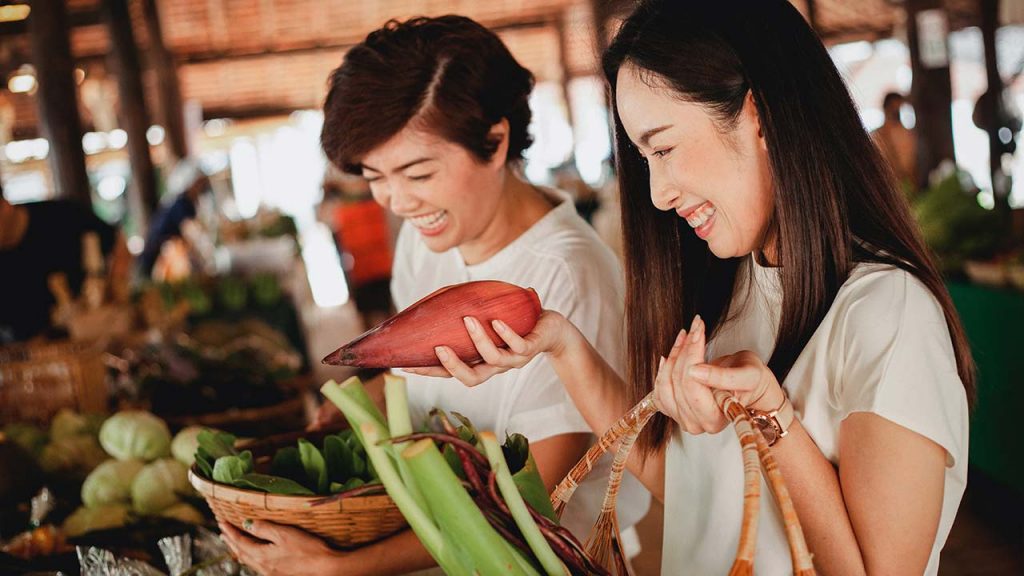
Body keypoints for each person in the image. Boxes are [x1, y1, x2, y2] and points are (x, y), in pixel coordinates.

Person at [424, 1, 973, 574]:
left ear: (759, 115)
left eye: (663, 149)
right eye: (643, 159)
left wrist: (771, 415)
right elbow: (690, 490)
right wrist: (561, 344)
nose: (657, 193)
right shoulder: (733, 284)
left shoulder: (888, 312)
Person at [217, 15, 649, 576]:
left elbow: (532, 505)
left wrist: (345, 566)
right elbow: (424, 374)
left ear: (494, 142)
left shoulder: (567, 277)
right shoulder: (431, 239)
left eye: (418, 173)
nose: (395, 200)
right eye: (375, 175)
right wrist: (358, 399)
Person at [0, 192, 130, 343]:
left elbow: (118, 246)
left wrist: (115, 289)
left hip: (99, 333)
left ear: (5, 206)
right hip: (39, 354)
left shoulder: (61, 215)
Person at [138, 158, 212, 278]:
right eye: (199, 183)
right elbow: (192, 231)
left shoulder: (184, 203)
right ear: (190, 183)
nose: (202, 187)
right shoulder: (181, 203)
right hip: (157, 261)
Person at [871, 92, 918, 195]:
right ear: (886, 109)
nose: (897, 112)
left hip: (908, 189)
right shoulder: (878, 136)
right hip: (888, 189)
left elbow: (912, 164)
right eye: (894, 109)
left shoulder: (908, 134)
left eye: (899, 108)